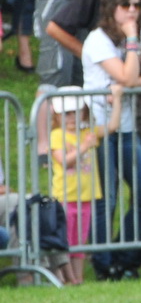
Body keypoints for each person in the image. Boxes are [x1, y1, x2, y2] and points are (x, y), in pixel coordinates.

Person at [84, 0, 141, 279]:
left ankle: (119, 257)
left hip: (126, 126)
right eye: (126, 6)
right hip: (99, 127)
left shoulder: (139, 35)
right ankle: (103, 265)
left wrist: (129, 82)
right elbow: (126, 74)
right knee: (106, 199)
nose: (133, 11)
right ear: (112, 9)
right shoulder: (98, 40)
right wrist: (132, 45)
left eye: (136, 5)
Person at [48, 91, 116, 285]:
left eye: (76, 112)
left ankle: (78, 279)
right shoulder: (57, 135)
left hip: (86, 197)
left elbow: (112, 126)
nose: (71, 117)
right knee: (66, 240)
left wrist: (117, 100)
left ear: (84, 112)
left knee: (79, 242)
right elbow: (63, 161)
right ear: (57, 115)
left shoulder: (88, 132)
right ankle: (67, 278)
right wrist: (84, 146)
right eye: (66, 113)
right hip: (66, 197)